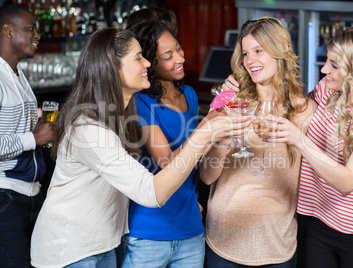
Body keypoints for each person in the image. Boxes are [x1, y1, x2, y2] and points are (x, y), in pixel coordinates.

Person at [30, 27, 252, 268]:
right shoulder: (89, 129)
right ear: (112, 69)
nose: (147, 62)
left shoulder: (119, 115)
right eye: (138, 58)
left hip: (101, 244)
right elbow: (151, 192)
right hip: (70, 249)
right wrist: (207, 130)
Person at [263, 28, 353, 267]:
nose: (325, 69)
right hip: (319, 221)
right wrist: (242, 83)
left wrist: (300, 141)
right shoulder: (327, 89)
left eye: (334, 64)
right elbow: (291, 106)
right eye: (327, 61)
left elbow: (347, 182)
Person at [199, 17, 317, 267]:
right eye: (245, 53)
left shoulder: (305, 110)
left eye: (258, 51)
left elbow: (323, 166)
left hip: (277, 244)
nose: (250, 60)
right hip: (224, 240)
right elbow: (207, 176)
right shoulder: (230, 102)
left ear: (279, 52)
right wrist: (223, 139)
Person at [119, 20, 208, 268]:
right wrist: (208, 127)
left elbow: (200, 162)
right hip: (148, 231)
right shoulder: (140, 102)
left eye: (179, 49)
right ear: (150, 62)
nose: (180, 58)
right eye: (168, 56)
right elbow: (167, 162)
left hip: (191, 228)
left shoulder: (189, 93)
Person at [0, 5, 54, 268]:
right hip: (5, 196)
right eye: (30, 29)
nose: (37, 35)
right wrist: (33, 138)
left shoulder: (18, 74)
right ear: (7, 31)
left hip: (30, 194)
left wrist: (40, 124)